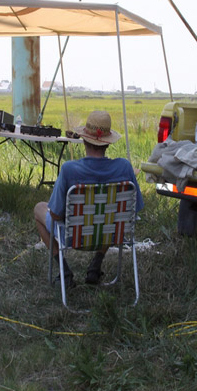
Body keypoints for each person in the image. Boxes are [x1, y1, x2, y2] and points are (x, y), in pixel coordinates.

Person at [34, 110, 143, 288]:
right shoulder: (124, 167)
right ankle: (95, 265)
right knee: (110, 216)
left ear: (84, 139)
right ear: (108, 143)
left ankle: (64, 271)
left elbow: (55, 215)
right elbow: (134, 209)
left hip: (74, 237)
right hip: (111, 234)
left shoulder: (69, 169)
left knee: (40, 208)